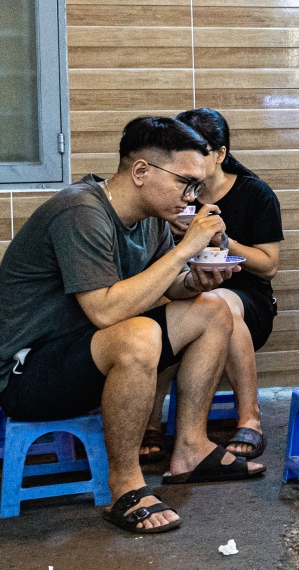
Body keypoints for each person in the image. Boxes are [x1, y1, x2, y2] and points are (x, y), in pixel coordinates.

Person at [0, 117, 267, 535]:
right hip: (26, 373)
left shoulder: (151, 216)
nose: (191, 197)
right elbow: (106, 312)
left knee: (213, 309)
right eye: (185, 182)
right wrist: (186, 252)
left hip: (85, 354)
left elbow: (164, 287)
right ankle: (125, 485)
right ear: (141, 171)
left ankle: (191, 449)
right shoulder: (81, 211)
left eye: (197, 186)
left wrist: (194, 280)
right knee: (137, 334)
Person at [140, 108, 282, 461]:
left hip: (248, 300)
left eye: (197, 153)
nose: (186, 165)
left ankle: (250, 417)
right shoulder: (172, 195)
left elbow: (268, 266)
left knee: (220, 302)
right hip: (186, 292)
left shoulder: (254, 194)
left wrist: (220, 238)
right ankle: (151, 422)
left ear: (219, 154)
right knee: (165, 313)